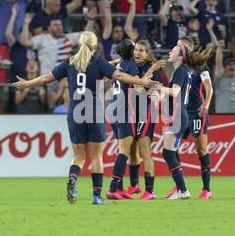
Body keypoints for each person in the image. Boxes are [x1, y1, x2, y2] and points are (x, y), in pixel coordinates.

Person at [14, 31, 156, 205]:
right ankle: (96, 196)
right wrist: (141, 82)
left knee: (79, 156)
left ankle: (73, 177)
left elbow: (47, 78)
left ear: (80, 45)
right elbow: (119, 76)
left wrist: (27, 83)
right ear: (95, 47)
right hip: (93, 112)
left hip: (74, 113)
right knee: (97, 156)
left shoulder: (70, 63)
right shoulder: (98, 63)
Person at [106, 39, 165, 200]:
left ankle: (150, 191)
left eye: (141, 51)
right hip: (130, 113)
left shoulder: (144, 66)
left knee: (144, 152)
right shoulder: (131, 64)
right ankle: (133, 186)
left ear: (147, 54)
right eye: (136, 50)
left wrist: (158, 97)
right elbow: (139, 85)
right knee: (131, 152)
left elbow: (157, 89)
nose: (138, 53)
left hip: (145, 113)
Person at [151, 43, 192, 199]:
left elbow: (175, 92)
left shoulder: (180, 71)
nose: (170, 51)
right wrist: (160, 96)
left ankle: (182, 190)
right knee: (171, 153)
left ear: (180, 57)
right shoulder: (182, 71)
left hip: (178, 115)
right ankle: (180, 189)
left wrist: (159, 87)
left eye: (173, 50)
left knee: (167, 153)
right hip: (179, 114)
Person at [176, 36, 214, 199]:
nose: (178, 48)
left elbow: (209, 88)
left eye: (180, 46)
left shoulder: (200, 66)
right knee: (172, 148)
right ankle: (179, 187)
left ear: (188, 49)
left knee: (201, 149)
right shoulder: (180, 68)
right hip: (183, 112)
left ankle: (206, 189)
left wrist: (206, 104)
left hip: (197, 112)